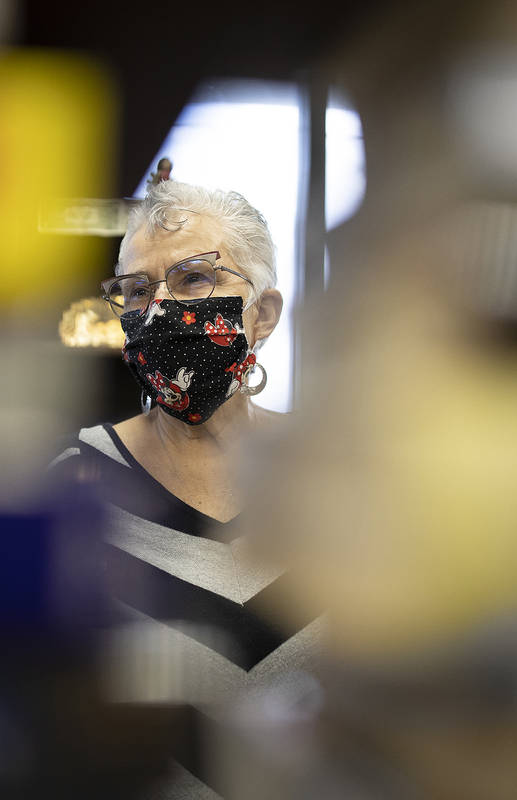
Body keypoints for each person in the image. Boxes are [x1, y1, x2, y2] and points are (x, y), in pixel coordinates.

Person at [50, 181, 324, 799]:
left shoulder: (334, 482)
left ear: (264, 314)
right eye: (138, 290)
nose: (161, 309)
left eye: (195, 279)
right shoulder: (72, 485)